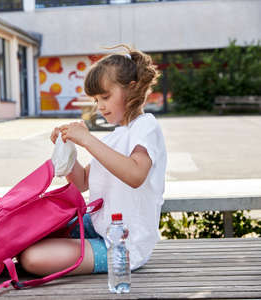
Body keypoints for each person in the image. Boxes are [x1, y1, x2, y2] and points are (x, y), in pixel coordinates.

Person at [19, 44, 167, 275]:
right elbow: (82, 183)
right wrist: (69, 148)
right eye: (96, 100)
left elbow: (136, 174)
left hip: (123, 245)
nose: (100, 107)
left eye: (105, 97)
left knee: (33, 258)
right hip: (97, 225)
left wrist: (87, 140)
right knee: (23, 234)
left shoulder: (146, 126)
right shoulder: (116, 136)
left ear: (132, 88)